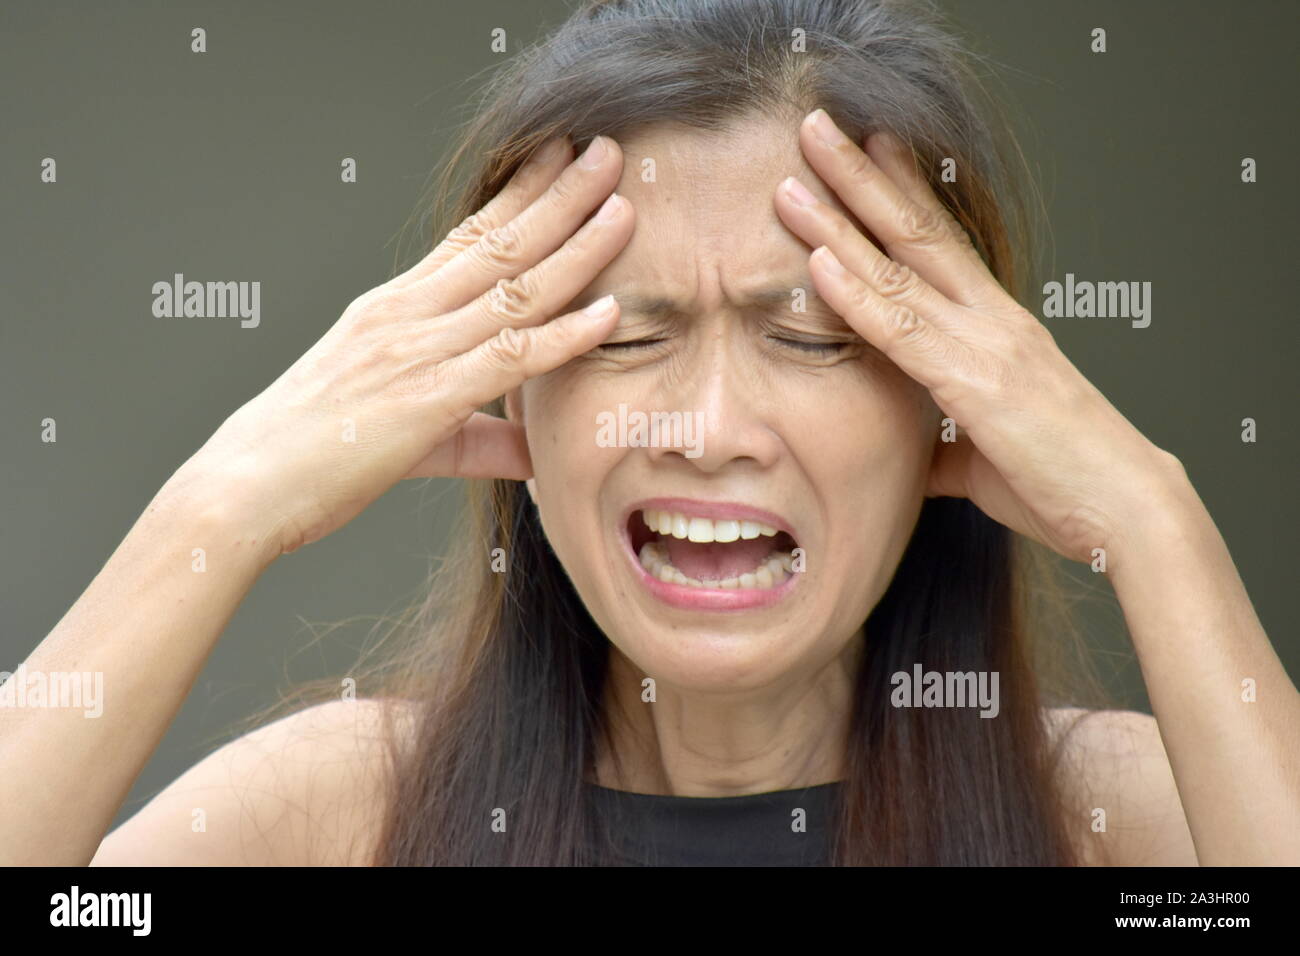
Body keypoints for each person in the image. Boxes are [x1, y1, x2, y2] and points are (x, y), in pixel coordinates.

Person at [5, 0, 1296, 866]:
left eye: (810, 337)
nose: (708, 427)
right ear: (510, 388)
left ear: (956, 399)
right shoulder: (339, 816)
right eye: (624, 335)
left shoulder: (1121, 817)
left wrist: (1153, 519)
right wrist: (214, 514)